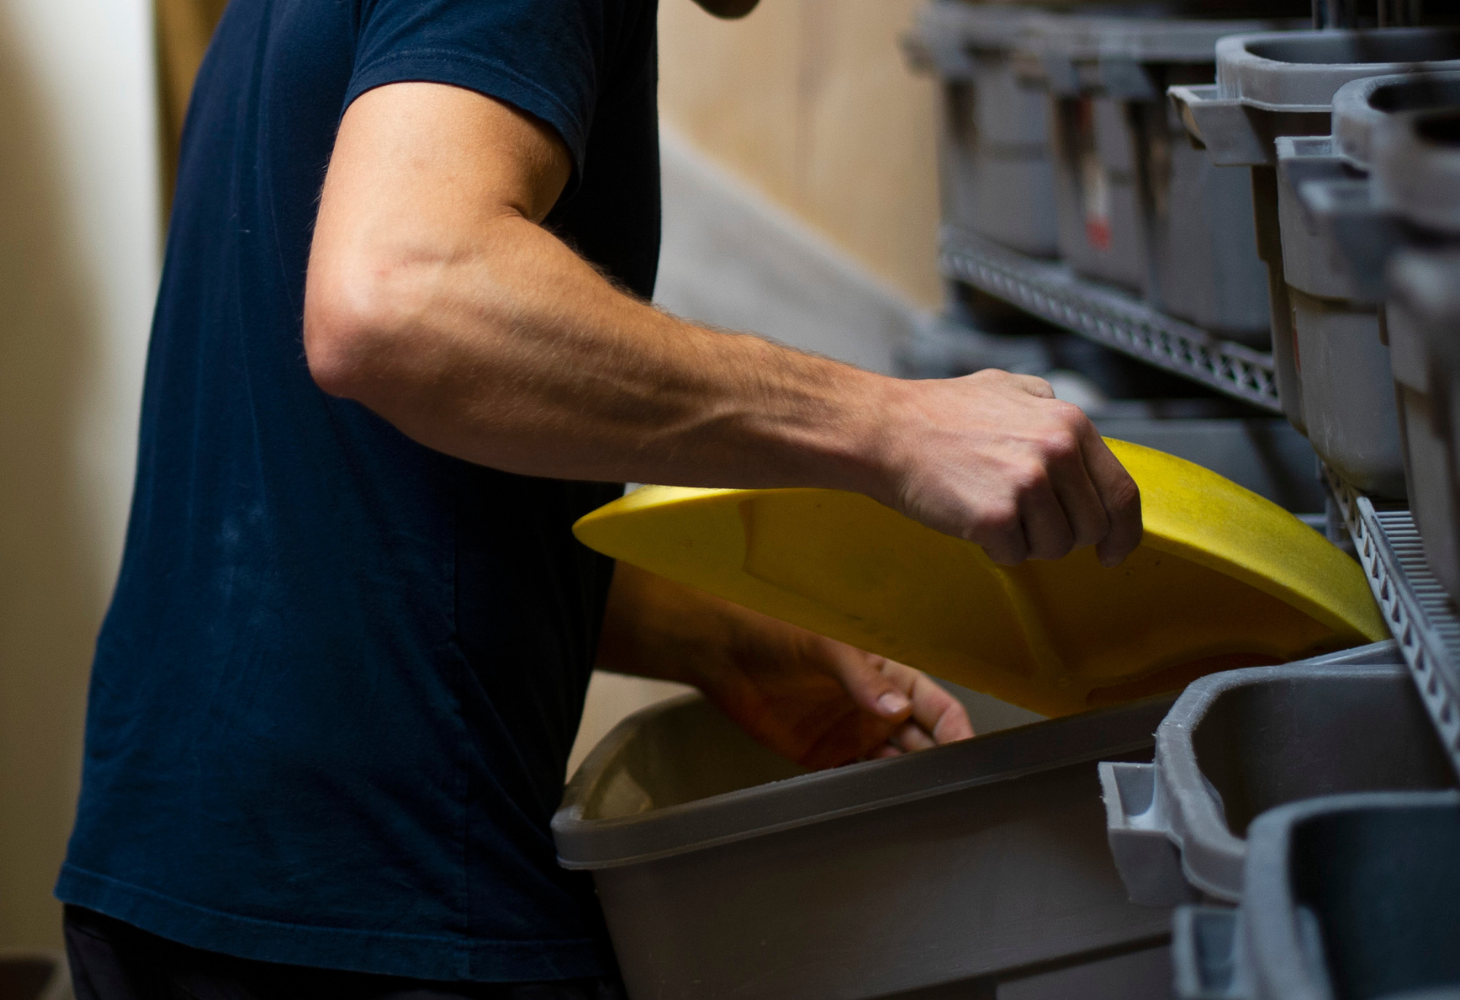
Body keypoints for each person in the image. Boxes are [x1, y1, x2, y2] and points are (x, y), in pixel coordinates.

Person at [57, 0, 1144, 996]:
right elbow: (399, 298)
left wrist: (720, 639)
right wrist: (889, 425)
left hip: (179, 874)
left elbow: (337, 496)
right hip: (372, 903)